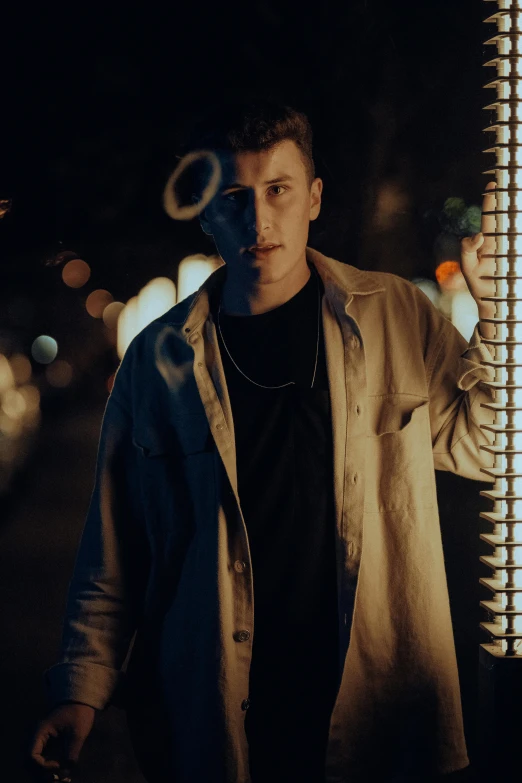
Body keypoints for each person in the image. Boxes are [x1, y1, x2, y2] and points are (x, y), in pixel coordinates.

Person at [30, 99, 497, 783]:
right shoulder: (157, 363)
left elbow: (488, 447)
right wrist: (80, 688)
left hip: (377, 702)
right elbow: (114, 550)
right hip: (212, 712)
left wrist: (500, 312)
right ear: (205, 207)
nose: (258, 218)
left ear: (312, 197)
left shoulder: (395, 313)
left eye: (278, 190)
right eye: (233, 195)